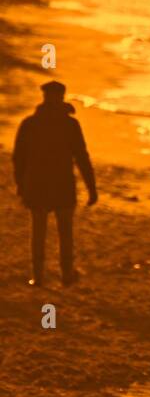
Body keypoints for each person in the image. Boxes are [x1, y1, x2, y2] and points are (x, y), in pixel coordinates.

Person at [11, 81, 97, 287]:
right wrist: (91, 188)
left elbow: (18, 159)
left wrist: (21, 185)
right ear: (61, 97)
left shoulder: (30, 123)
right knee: (64, 232)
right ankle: (66, 274)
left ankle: (38, 276)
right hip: (62, 185)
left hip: (37, 184)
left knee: (39, 232)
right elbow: (82, 157)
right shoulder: (70, 125)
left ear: (44, 97)